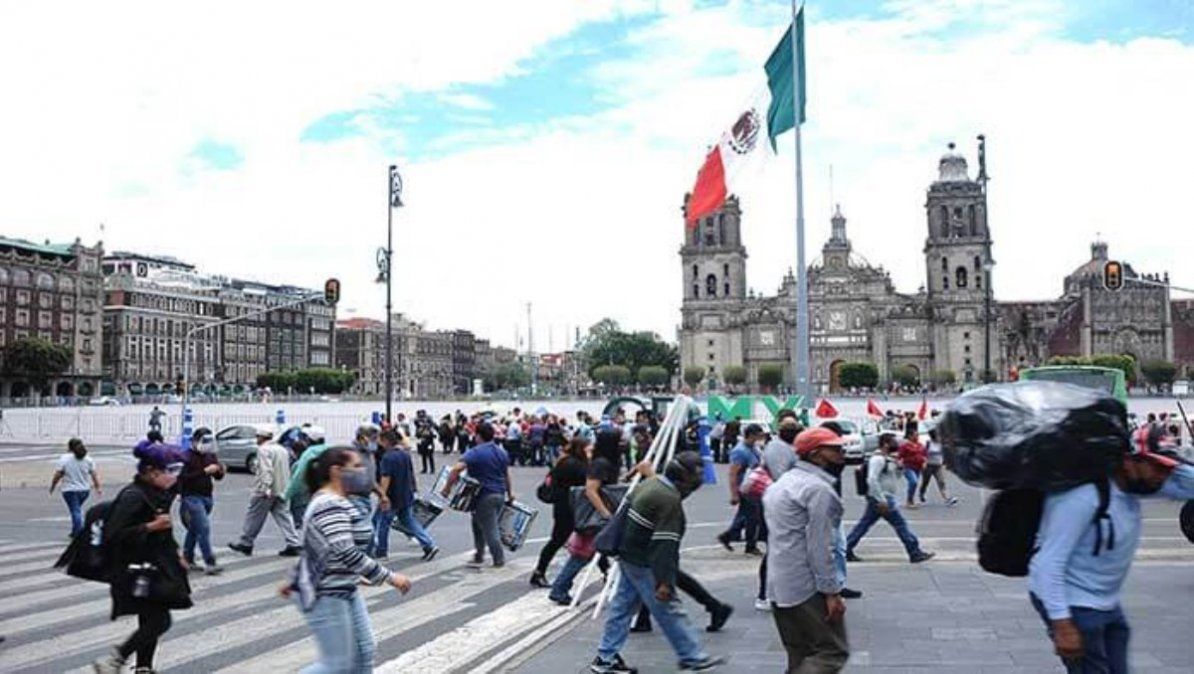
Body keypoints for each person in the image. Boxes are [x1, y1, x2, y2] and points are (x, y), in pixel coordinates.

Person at [1028, 427, 1194, 673]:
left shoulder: (1135, 485)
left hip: (1105, 604)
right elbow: (1046, 564)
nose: (1162, 477)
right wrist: (1061, 622)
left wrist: (1174, 463)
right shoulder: (1084, 498)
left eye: (1167, 468)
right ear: (1128, 461)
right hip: (1075, 605)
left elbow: (1189, 487)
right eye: (1157, 467)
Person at [590, 451, 723, 673]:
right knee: (669, 609)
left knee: (622, 607)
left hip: (628, 554)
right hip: (644, 560)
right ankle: (693, 656)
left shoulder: (652, 484)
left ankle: (606, 657)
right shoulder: (668, 500)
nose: (698, 482)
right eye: (695, 476)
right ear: (683, 478)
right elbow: (664, 547)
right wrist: (664, 582)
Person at [283, 447, 413, 673]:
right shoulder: (329, 503)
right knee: (336, 665)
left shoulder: (339, 501)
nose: (363, 471)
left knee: (363, 652)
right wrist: (390, 577)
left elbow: (319, 546)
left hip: (344, 588)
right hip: (327, 593)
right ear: (336, 471)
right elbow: (345, 551)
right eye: (356, 466)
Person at [92, 444, 191, 674]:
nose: (174, 477)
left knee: (150, 620)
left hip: (153, 568)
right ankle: (115, 660)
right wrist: (151, 526)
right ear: (152, 472)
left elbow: (164, 534)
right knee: (160, 621)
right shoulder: (133, 496)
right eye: (170, 471)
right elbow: (114, 535)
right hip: (136, 570)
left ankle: (144, 668)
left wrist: (177, 554)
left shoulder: (155, 494)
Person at [763, 427, 850, 673]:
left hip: (779, 582)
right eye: (834, 450)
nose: (841, 454)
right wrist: (831, 591)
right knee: (831, 652)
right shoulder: (817, 490)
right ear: (815, 454)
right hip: (805, 584)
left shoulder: (781, 485)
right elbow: (820, 545)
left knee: (799, 653)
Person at [845, 433, 935, 564]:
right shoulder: (878, 459)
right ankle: (914, 552)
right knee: (900, 524)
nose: (897, 444)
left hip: (882, 497)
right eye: (893, 441)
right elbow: (872, 479)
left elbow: (894, 478)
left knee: (864, 525)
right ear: (885, 443)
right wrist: (881, 499)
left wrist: (899, 468)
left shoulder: (887, 459)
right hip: (882, 498)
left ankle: (846, 548)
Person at [442, 422, 513, 568]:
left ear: (478, 436)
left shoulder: (476, 452)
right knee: (477, 523)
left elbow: (456, 469)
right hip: (499, 493)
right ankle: (479, 554)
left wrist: (447, 488)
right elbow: (506, 474)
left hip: (484, 495)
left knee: (490, 528)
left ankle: (498, 559)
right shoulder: (501, 452)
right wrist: (510, 493)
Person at [229, 425, 302, 557]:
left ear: (262, 437)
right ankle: (294, 543)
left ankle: (246, 543)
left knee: (254, 517)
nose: (256, 439)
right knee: (284, 517)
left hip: (266, 491)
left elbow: (266, 470)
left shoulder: (263, 450)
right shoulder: (282, 450)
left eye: (257, 436)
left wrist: (265, 488)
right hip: (282, 489)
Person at [531, 436, 591, 588]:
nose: (591, 451)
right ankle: (539, 572)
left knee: (584, 538)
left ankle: (539, 572)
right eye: (588, 449)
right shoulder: (575, 465)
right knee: (561, 540)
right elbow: (587, 482)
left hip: (564, 507)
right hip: (569, 508)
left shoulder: (565, 461)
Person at [372, 428, 439, 561]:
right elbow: (410, 474)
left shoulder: (387, 457)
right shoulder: (404, 454)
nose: (378, 442)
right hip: (405, 494)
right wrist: (414, 489)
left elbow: (386, 477)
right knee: (408, 521)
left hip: (392, 496)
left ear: (386, 441)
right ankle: (429, 544)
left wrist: (382, 496)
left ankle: (381, 551)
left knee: (382, 523)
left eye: (380, 440)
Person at [179, 428, 226, 575]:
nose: (206, 445)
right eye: (203, 441)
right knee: (203, 527)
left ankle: (187, 558)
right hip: (191, 496)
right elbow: (182, 478)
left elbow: (217, 476)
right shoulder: (186, 456)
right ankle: (210, 562)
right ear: (195, 441)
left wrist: (219, 471)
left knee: (195, 529)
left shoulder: (210, 455)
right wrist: (204, 471)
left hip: (207, 497)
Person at [717, 423, 766, 556]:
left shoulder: (754, 448)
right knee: (752, 517)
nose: (760, 438)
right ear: (751, 435)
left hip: (755, 487)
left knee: (746, 515)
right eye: (758, 435)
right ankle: (750, 546)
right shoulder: (740, 451)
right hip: (746, 488)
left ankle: (728, 536)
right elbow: (733, 473)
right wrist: (734, 494)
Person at [50, 438, 101, 538]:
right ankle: (74, 531)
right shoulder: (88, 459)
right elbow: (94, 475)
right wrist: (97, 487)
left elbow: (58, 474)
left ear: (69, 447)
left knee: (75, 511)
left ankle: (79, 533)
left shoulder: (64, 459)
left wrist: (53, 486)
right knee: (76, 510)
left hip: (70, 490)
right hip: (84, 490)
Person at [284, 427, 330, 528]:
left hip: (304, 497)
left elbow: (298, 477)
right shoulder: (330, 451)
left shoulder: (310, 453)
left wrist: (286, 495)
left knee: (304, 527)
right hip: (326, 495)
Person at [918, 429, 958, 506]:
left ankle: (947, 498)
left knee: (941, 481)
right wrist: (924, 462)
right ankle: (921, 494)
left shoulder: (941, 444)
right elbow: (923, 454)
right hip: (928, 466)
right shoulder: (928, 444)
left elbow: (945, 453)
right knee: (925, 482)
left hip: (938, 466)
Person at [896, 424, 926, 509]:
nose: (917, 437)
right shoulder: (905, 445)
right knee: (913, 482)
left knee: (913, 484)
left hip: (918, 467)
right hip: (908, 467)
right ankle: (909, 500)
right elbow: (899, 456)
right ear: (910, 436)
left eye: (918, 435)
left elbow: (924, 455)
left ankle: (911, 500)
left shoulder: (920, 445)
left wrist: (924, 462)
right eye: (915, 435)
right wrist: (899, 463)